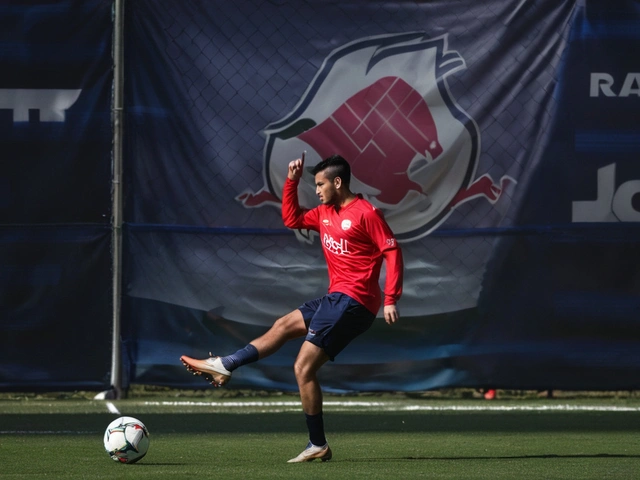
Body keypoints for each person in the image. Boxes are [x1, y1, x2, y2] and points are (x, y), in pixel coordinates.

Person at [180, 154, 404, 463]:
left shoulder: (366, 213)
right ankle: (225, 365)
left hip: (355, 302)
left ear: (337, 182)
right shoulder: (325, 212)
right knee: (283, 325)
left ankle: (318, 445)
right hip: (335, 298)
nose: (317, 190)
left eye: (321, 184)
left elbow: (392, 251)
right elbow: (292, 219)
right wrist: (291, 181)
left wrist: (391, 297)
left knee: (302, 367)